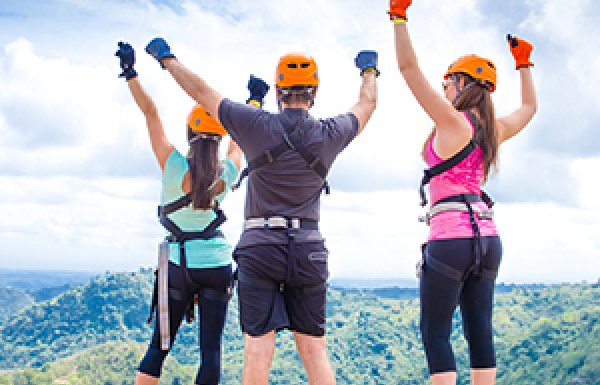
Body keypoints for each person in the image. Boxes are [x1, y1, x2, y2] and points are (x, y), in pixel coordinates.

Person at [143, 37, 378, 385]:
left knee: (257, 351)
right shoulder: (331, 133)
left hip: (260, 246)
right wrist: (369, 70)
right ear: (314, 93)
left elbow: (202, 92)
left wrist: (167, 59)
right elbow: (367, 103)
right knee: (314, 351)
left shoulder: (256, 124)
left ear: (279, 92)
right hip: (309, 248)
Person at [388, 1, 537, 384]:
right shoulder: (494, 130)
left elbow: (408, 70)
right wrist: (524, 64)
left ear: (461, 84)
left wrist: (399, 17)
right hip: (488, 239)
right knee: (480, 332)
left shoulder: (452, 121)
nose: (443, 88)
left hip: (450, 238)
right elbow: (529, 107)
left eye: (447, 82)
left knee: (435, 334)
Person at [115, 42, 268, 385]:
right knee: (211, 351)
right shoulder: (226, 174)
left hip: (178, 266)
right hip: (216, 264)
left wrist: (130, 72)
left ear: (188, 135)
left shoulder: (172, 166)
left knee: (159, 348)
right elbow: (238, 140)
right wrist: (254, 102)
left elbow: (151, 114)